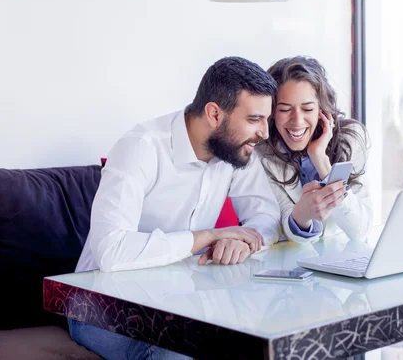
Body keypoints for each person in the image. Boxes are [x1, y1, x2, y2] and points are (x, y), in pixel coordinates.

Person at [70, 56, 282, 360]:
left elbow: (265, 215)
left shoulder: (236, 150)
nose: (264, 132)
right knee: (177, 354)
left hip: (180, 303)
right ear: (214, 114)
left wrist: (241, 241)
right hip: (100, 307)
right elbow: (111, 250)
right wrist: (205, 236)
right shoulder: (142, 147)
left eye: (266, 119)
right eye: (254, 119)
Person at [257, 56, 372, 244]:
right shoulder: (262, 153)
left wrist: (321, 160)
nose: (297, 121)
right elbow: (282, 226)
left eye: (307, 109)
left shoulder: (350, 140)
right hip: (292, 262)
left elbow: (360, 230)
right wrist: (302, 216)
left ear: (322, 109)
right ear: (272, 113)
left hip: (343, 256)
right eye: (285, 109)